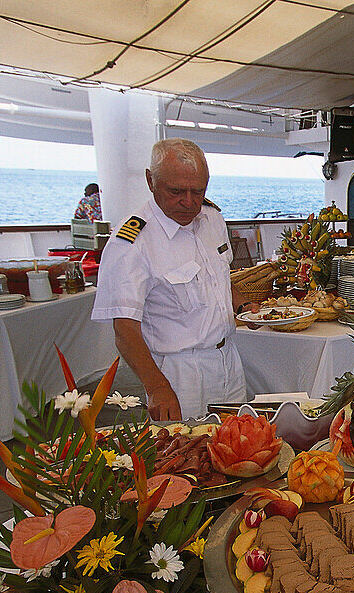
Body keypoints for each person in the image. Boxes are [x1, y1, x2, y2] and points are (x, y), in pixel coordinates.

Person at [91, 139, 254, 420]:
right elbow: (125, 330)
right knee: (186, 458)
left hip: (228, 361)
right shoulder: (131, 242)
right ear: (150, 180)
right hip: (179, 375)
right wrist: (157, 387)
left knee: (235, 451)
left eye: (198, 191)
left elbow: (220, 278)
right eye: (176, 191)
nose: (189, 202)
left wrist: (244, 306)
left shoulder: (212, 219)